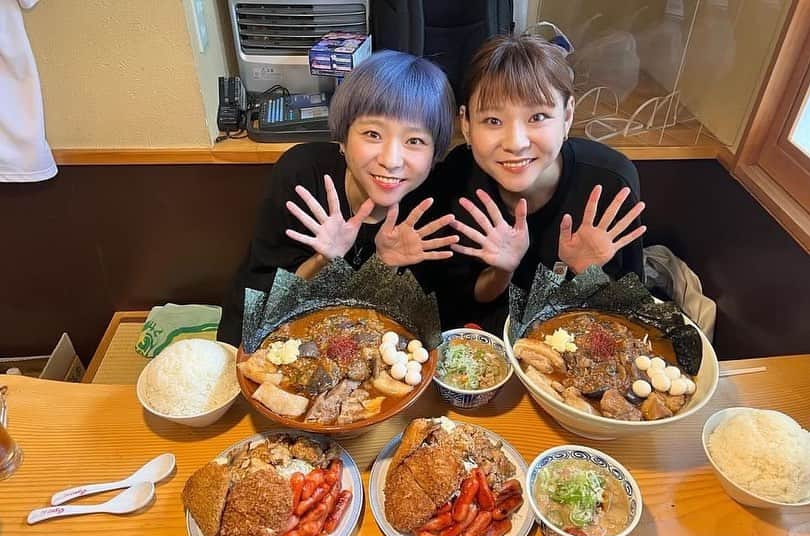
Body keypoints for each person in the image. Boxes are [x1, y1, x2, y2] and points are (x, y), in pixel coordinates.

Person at [218, 51, 457, 345]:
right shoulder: (302, 176)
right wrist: (321, 261)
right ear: (342, 139)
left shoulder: (433, 203)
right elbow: (258, 307)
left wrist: (384, 266)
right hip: (268, 337)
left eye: (415, 141)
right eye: (372, 134)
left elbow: (408, 334)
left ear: (435, 154)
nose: (392, 160)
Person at [431, 34, 647, 333]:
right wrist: (501, 271)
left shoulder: (609, 181)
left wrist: (589, 275)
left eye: (538, 116)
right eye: (493, 121)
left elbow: (630, 315)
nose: (516, 143)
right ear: (466, 124)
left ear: (567, 115)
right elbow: (460, 301)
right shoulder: (456, 179)